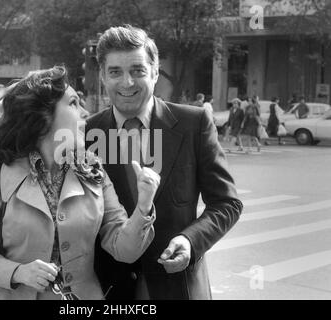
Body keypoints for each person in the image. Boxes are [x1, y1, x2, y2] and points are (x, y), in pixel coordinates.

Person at [0, 66, 161, 300]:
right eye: (73, 103)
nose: (85, 112)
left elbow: (125, 250)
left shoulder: (93, 171)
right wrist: (18, 272)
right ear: (42, 117)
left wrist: (144, 207)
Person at [86, 25, 243, 300]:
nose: (127, 83)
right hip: (111, 289)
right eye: (115, 72)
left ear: (155, 72)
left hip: (179, 287)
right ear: (102, 76)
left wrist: (190, 241)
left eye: (138, 71)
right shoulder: (85, 134)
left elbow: (227, 203)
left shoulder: (194, 124)